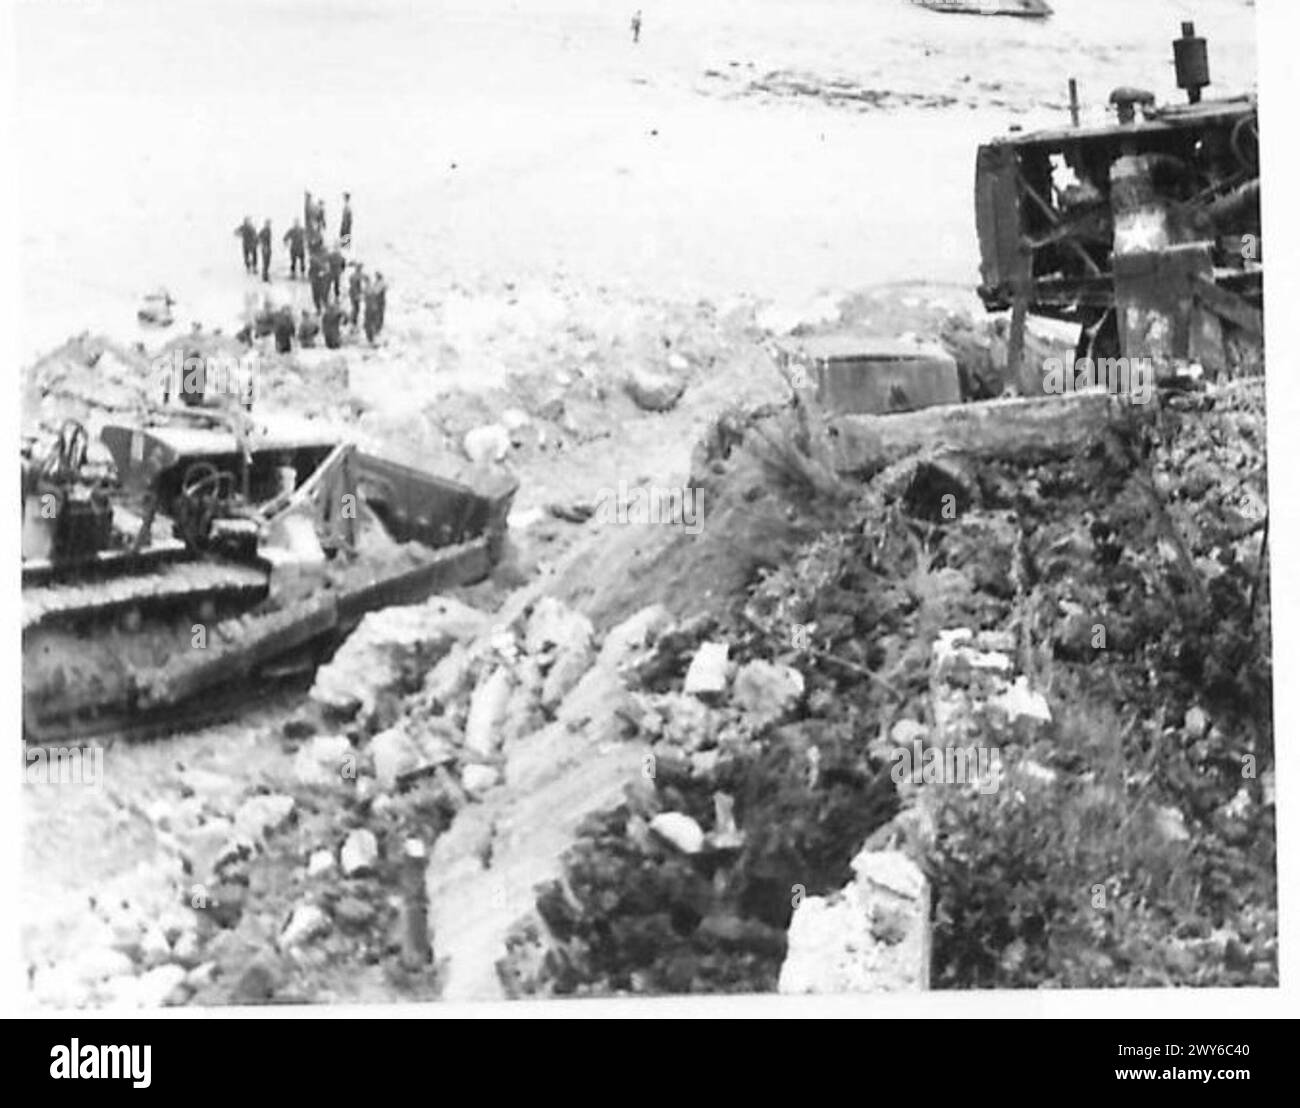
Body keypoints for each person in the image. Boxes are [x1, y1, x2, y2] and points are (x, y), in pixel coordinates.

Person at [362, 277, 380, 343]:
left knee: (369, 324)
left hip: (369, 309)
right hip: (374, 308)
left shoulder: (367, 289)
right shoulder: (373, 288)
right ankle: (372, 338)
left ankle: (371, 338)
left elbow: (365, 297)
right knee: (372, 323)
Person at [347, 262, 364, 327]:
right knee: (356, 308)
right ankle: (353, 320)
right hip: (354, 294)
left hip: (352, 292)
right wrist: (357, 295)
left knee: (355, 307)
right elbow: (355, 286)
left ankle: (353, 319)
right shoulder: (357, 276)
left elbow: (357, 286)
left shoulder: (353, 275)